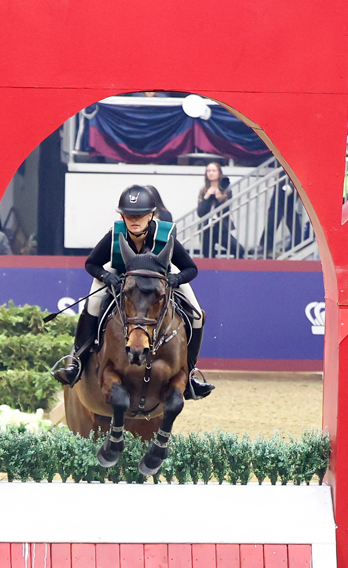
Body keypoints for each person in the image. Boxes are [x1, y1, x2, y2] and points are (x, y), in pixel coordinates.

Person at [52, 185, 214, 400]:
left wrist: (175, 280)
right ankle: (77, 363)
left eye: (139, 215)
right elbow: (91, 263)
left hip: (161, 279)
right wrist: (106, 276)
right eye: (129, 216)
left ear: (151, 215)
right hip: (120, 276)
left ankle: (191, 372)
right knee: (92, 304)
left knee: (196, 315)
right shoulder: (114, 234)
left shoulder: (165, 235)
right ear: (122, 216)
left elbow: (191, 269)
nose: (134, 220)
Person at [198, 162, 242, 258]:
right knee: (208, 255)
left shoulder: (226, 190)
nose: (211, 173)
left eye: (214, 170)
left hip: (221, 226)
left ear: (219, 172)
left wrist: (219, 197)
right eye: (208, 171)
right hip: (206, 227)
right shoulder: (203, 190)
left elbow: (226, 209)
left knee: (239, 250)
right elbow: (200, 213)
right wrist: (207, 196)